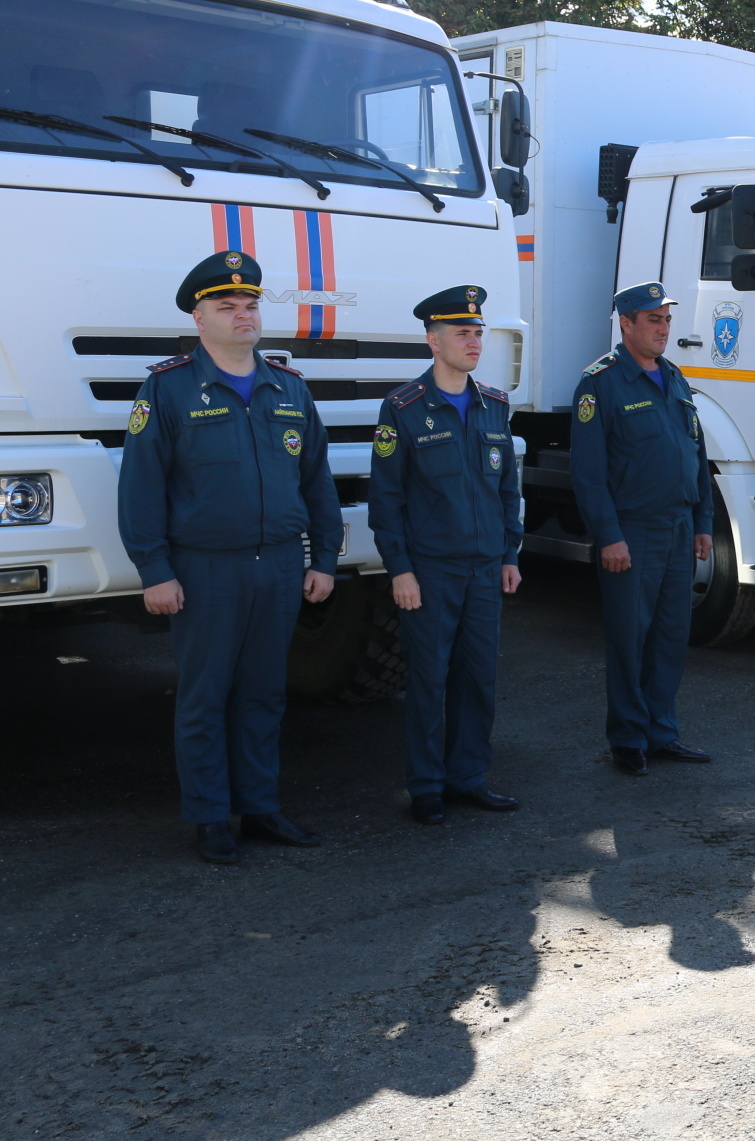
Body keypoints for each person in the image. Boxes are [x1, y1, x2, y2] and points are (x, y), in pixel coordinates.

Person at [117, 252, 340, 865]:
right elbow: (141, 488)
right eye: (226, 306)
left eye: (250, 305)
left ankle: (260, 807)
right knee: (205, 695)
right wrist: (154, 570)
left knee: (265, 693)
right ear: (199, 317)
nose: (243, 315)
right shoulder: (167, 388)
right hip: (204, 568)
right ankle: (212, 816)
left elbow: (317, 482)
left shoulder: (287, 387)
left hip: (279, 566)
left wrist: (323, 558)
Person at [368, 286, 525, 825]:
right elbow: (386, 500)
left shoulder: (495, 406)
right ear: (433, 341)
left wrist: (511, 554)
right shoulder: (404, 408)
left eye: (478, 332)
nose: (474, 341)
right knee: (429, 681)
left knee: (477, 678)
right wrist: (401, 570)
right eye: (463, 332)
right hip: (430, 571)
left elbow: (508, 489)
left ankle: (468, 778)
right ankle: (427, 786)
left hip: (484, 568)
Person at [571, 283, 716, 773]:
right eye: (652, 319)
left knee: (671, 637)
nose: (663, 328)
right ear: (626, 324)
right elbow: (588, 474)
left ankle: (661, 733)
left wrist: (703, 523)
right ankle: (628, 739)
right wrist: (608, 535)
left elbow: (697, 456)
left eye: (666, 319)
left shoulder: (675, 377)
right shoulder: (601, 383)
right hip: (631, 532)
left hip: (678, 528)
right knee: (630, 639)